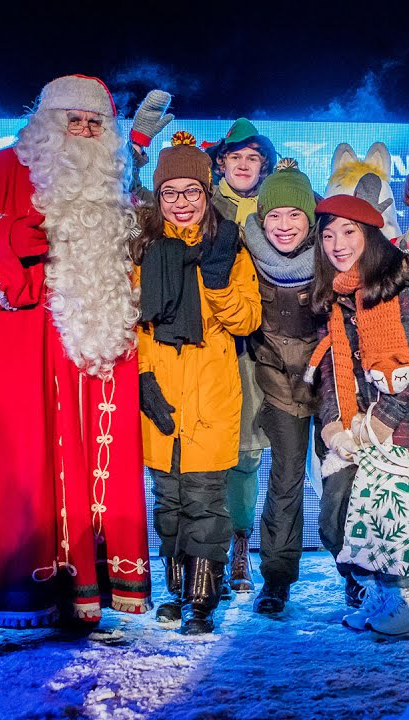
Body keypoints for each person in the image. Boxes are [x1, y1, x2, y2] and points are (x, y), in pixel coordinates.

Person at [0, 74, 151, 662]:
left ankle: (76, 602)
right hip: (13, 354)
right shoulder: (7, 168)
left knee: (84, 471)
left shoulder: (110, 186)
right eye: (71, 121)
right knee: (4, 479)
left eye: (93, 124)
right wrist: (17, 240)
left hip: (86, 359)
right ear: (46, 125)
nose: (82, 132)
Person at [131, 131, 262, 634]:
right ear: (159, 197)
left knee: (206, 501)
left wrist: (217, 278)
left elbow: (246, 319)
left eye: (192, 191)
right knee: (168, 502)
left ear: (208, 194)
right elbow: (135, 325)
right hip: (159, 393)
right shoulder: (144, 249)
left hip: (212, 394)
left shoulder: (227, 244)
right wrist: (144, 379)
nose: (181, 203)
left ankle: (203, 601)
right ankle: (175, 593)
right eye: (171, 192)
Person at [308, 193, 409, 636]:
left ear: (371, 235)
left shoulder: (401, 286)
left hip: (398, 427)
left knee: (391, 520)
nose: (338, 243)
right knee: (335, 518)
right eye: (328, 234)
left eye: (349, 232)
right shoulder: (338, 295)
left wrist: (385, 420)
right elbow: (331, 365)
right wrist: (334, 424)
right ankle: (377, 595)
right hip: (358, 424)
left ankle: (400, 603)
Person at [243, 159, 325, 614]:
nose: (284, 225)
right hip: (278, 381)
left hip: (331, 383)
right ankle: (276, 578)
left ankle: (356, 575)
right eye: (274, 215)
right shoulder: (246, 251)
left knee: (340, 483)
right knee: (287, 478)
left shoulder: (331, 254)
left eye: (294, 214)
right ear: (261, 218)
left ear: (310, 218)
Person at [204, 119, 277, 594]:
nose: (245, 165)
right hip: (207, 342)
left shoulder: (280, 208)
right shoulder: (203, 205)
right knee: (203, 453)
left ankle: (240, 548)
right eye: (236, 157)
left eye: (253, 158)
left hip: (259, 347)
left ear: (264, 166)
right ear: (221, 163)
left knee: (247, 454)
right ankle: (201, 554)